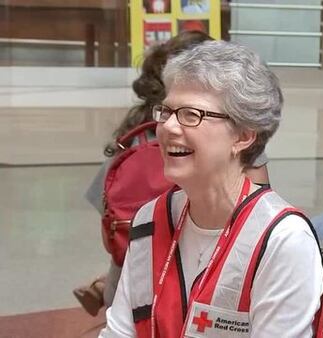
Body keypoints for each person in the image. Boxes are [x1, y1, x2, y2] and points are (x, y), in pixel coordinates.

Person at [99, 41, 323, 337]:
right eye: (166, 112)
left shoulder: (283, 240)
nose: (168, 127)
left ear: (243, 136)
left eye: (191, 115)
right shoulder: (149, 219)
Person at [74, 30, 269, 317]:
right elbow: (257, 209)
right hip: (206, 296)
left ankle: (104, 286)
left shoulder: (131, 140)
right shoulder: (230, 138)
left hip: (129, 291)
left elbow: (108, 217)